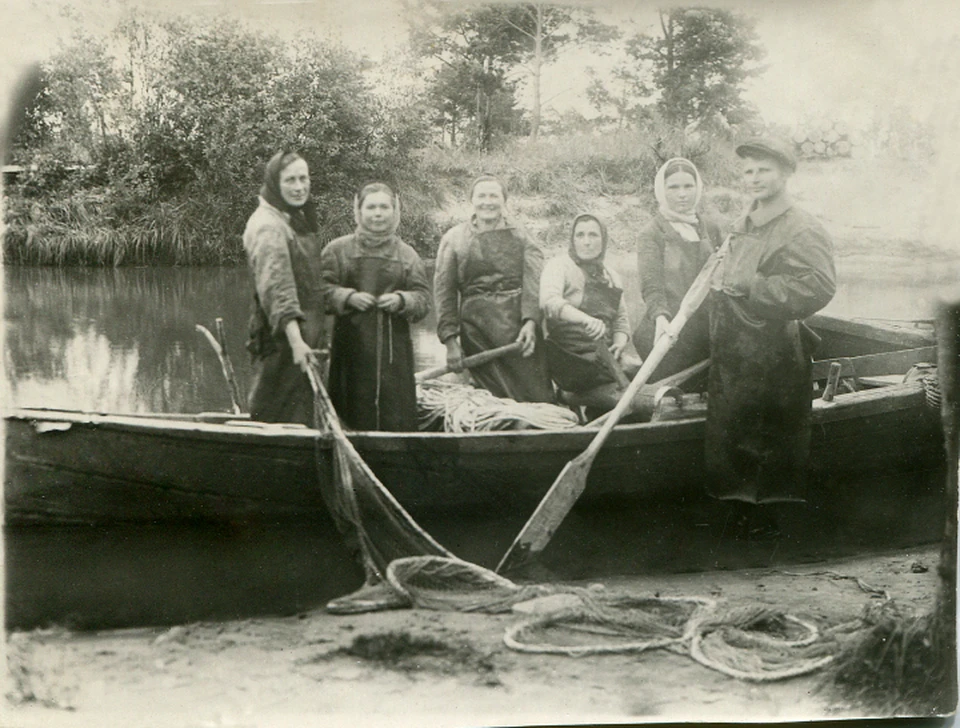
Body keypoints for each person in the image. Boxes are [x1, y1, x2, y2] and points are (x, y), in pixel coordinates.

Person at [705, 136, 836, 539]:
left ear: (785, 174)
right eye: (748, 171)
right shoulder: (745, 220)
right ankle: (736, 521)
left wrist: (755, 286)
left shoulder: (802, 226)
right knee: (731, 441)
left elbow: (820, 286)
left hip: (774, 357)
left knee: (769, 443)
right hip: (733, 356)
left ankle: (769, 532)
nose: (755, 178)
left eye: (764, 170)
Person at [320, 182, 431, 431]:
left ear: (395, 211)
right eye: (371, 207)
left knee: (396, 415)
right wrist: (347, 297)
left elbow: (423, 300)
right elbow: (318, 294)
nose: (378, 213)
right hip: (350, 353)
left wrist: (403, 300)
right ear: (358, 211)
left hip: (395, 356)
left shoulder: (407, 255)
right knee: (350, 411)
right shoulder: (337, 251)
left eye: (384, 207)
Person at [434, 174, 554, 403]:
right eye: (481, 196)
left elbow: (534, 282)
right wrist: (450, 341)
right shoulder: (454, 239)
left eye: (493, 196)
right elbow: (444, 293)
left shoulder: (522, 236)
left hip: (519, 330)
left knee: (536, 396)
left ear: (504, 200)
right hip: (476, 330)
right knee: (489, 399)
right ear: (472, 200)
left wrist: (531, 322)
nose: (487, 202)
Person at [243, 150, 325, 426]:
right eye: (290, 180)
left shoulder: (290, 219)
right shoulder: (268, 226)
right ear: (275, 183)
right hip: (283, 339)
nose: (300, 187)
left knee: (300, 413)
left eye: (304, 178)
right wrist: (297, 342)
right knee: (275, 412)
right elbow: (278, 290)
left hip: (303, 337)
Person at [635, 157, 723, 381]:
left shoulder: (710, 227)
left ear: (698, 187)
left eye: (688, 186)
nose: (682, 194)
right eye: (674, 187)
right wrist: (661, 317)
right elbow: (651, 284)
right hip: (670, 327)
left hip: (708, 327)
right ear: (662, 191)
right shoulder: (652, 233)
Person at [540, 213, 640, 400]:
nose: (587, 242)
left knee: (642, 372)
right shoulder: (559, 266)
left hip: (606, 357)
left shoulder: (611, 276)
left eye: (593, 235)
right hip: (571, 358)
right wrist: (586, 319)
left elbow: (621, 320)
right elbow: (549, 301)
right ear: (572, 239)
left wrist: (619, 343)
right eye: (580, 235)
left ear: (603, 240)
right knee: (630, 375)